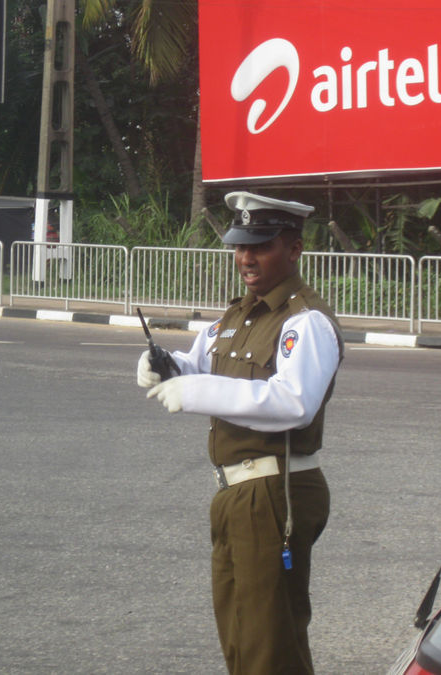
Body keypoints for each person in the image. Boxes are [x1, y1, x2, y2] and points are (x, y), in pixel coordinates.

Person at [136, 191, 344, 674]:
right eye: (239, 245)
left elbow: (293, 401)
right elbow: (195, 362)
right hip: (238, 493)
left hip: (276, 490)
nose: (245, 257)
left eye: (261, 245)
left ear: (293, 249)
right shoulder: (236, 316)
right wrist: (160, 366)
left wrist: (196, 392)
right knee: (240, 635)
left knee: (269, 645)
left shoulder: (303, 322)